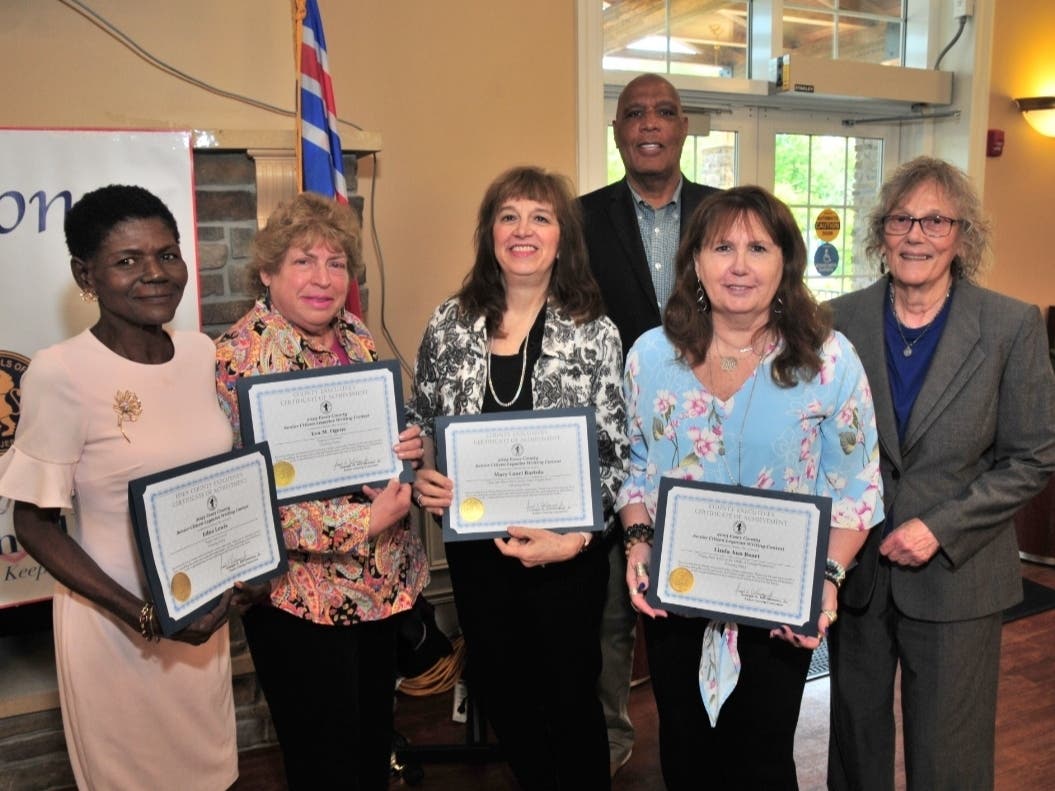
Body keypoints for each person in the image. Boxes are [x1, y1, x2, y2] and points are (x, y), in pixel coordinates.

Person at [619, 185, 884, 789]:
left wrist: (828, 580)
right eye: (722, 247)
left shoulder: (829, 360)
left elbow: (857, 491)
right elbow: (637, 469)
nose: (739, 265)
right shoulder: (651, 356)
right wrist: (638, 543)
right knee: (683, 755)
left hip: (780, 609)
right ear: (695, 262)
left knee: (763, 761)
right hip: (676, 600)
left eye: (758, 248)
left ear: (784, 263)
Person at [827, 157, 1055, 791]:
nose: (916, 235)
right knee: (854, 744)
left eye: (935, 220)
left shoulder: (1012, 326)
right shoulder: (834, 320)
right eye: (901, 219)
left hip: (959, 574)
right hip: (858, 572)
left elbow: (1033, 454)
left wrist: (941, 526)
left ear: (964, 235)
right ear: (880, 233)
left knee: (948, 757)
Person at [0, 185, 239, 790]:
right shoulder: (61, 371)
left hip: (200, 619)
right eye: (127, 260)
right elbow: (32, 523)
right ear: (86, 275)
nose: (155, 273)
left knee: (209, 776)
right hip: (118, 629)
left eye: (167, 253)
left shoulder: (198, 353)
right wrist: (143, 616)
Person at [409, 166, 628, 789]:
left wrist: (580, 539)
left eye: (540, 216)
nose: (523, 230)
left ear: (563, 238)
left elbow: (617, 458)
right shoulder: (450, 323)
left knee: (568, 704)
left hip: (564, 555)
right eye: (509, 216)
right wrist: (423, 474)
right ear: (490, 233)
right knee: (504, 698)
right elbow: (421, 423)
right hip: (478, 556)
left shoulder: (593, 331)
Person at [214, 192, 429, 791]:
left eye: (336, 263)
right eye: (303, 262)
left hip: (379, 586)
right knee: (322, 762)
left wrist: (402, 446)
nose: (322, 279)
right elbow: (243, 502)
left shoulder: (355, 335)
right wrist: (359, 525)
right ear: (268, 271)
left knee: (368, 749)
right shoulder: (239, 360)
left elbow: (372, 439)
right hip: (300, 601)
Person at [579, 72, 720, 774]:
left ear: (683, 126)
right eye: (633, 112)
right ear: (617, 131)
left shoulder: (728, 217)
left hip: (710, 456)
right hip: (614, 455)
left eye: (664, 111)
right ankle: (611, 748)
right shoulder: (579, 220)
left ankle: (705, 748)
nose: (649, 123)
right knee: (610, 617)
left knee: (704, 614)